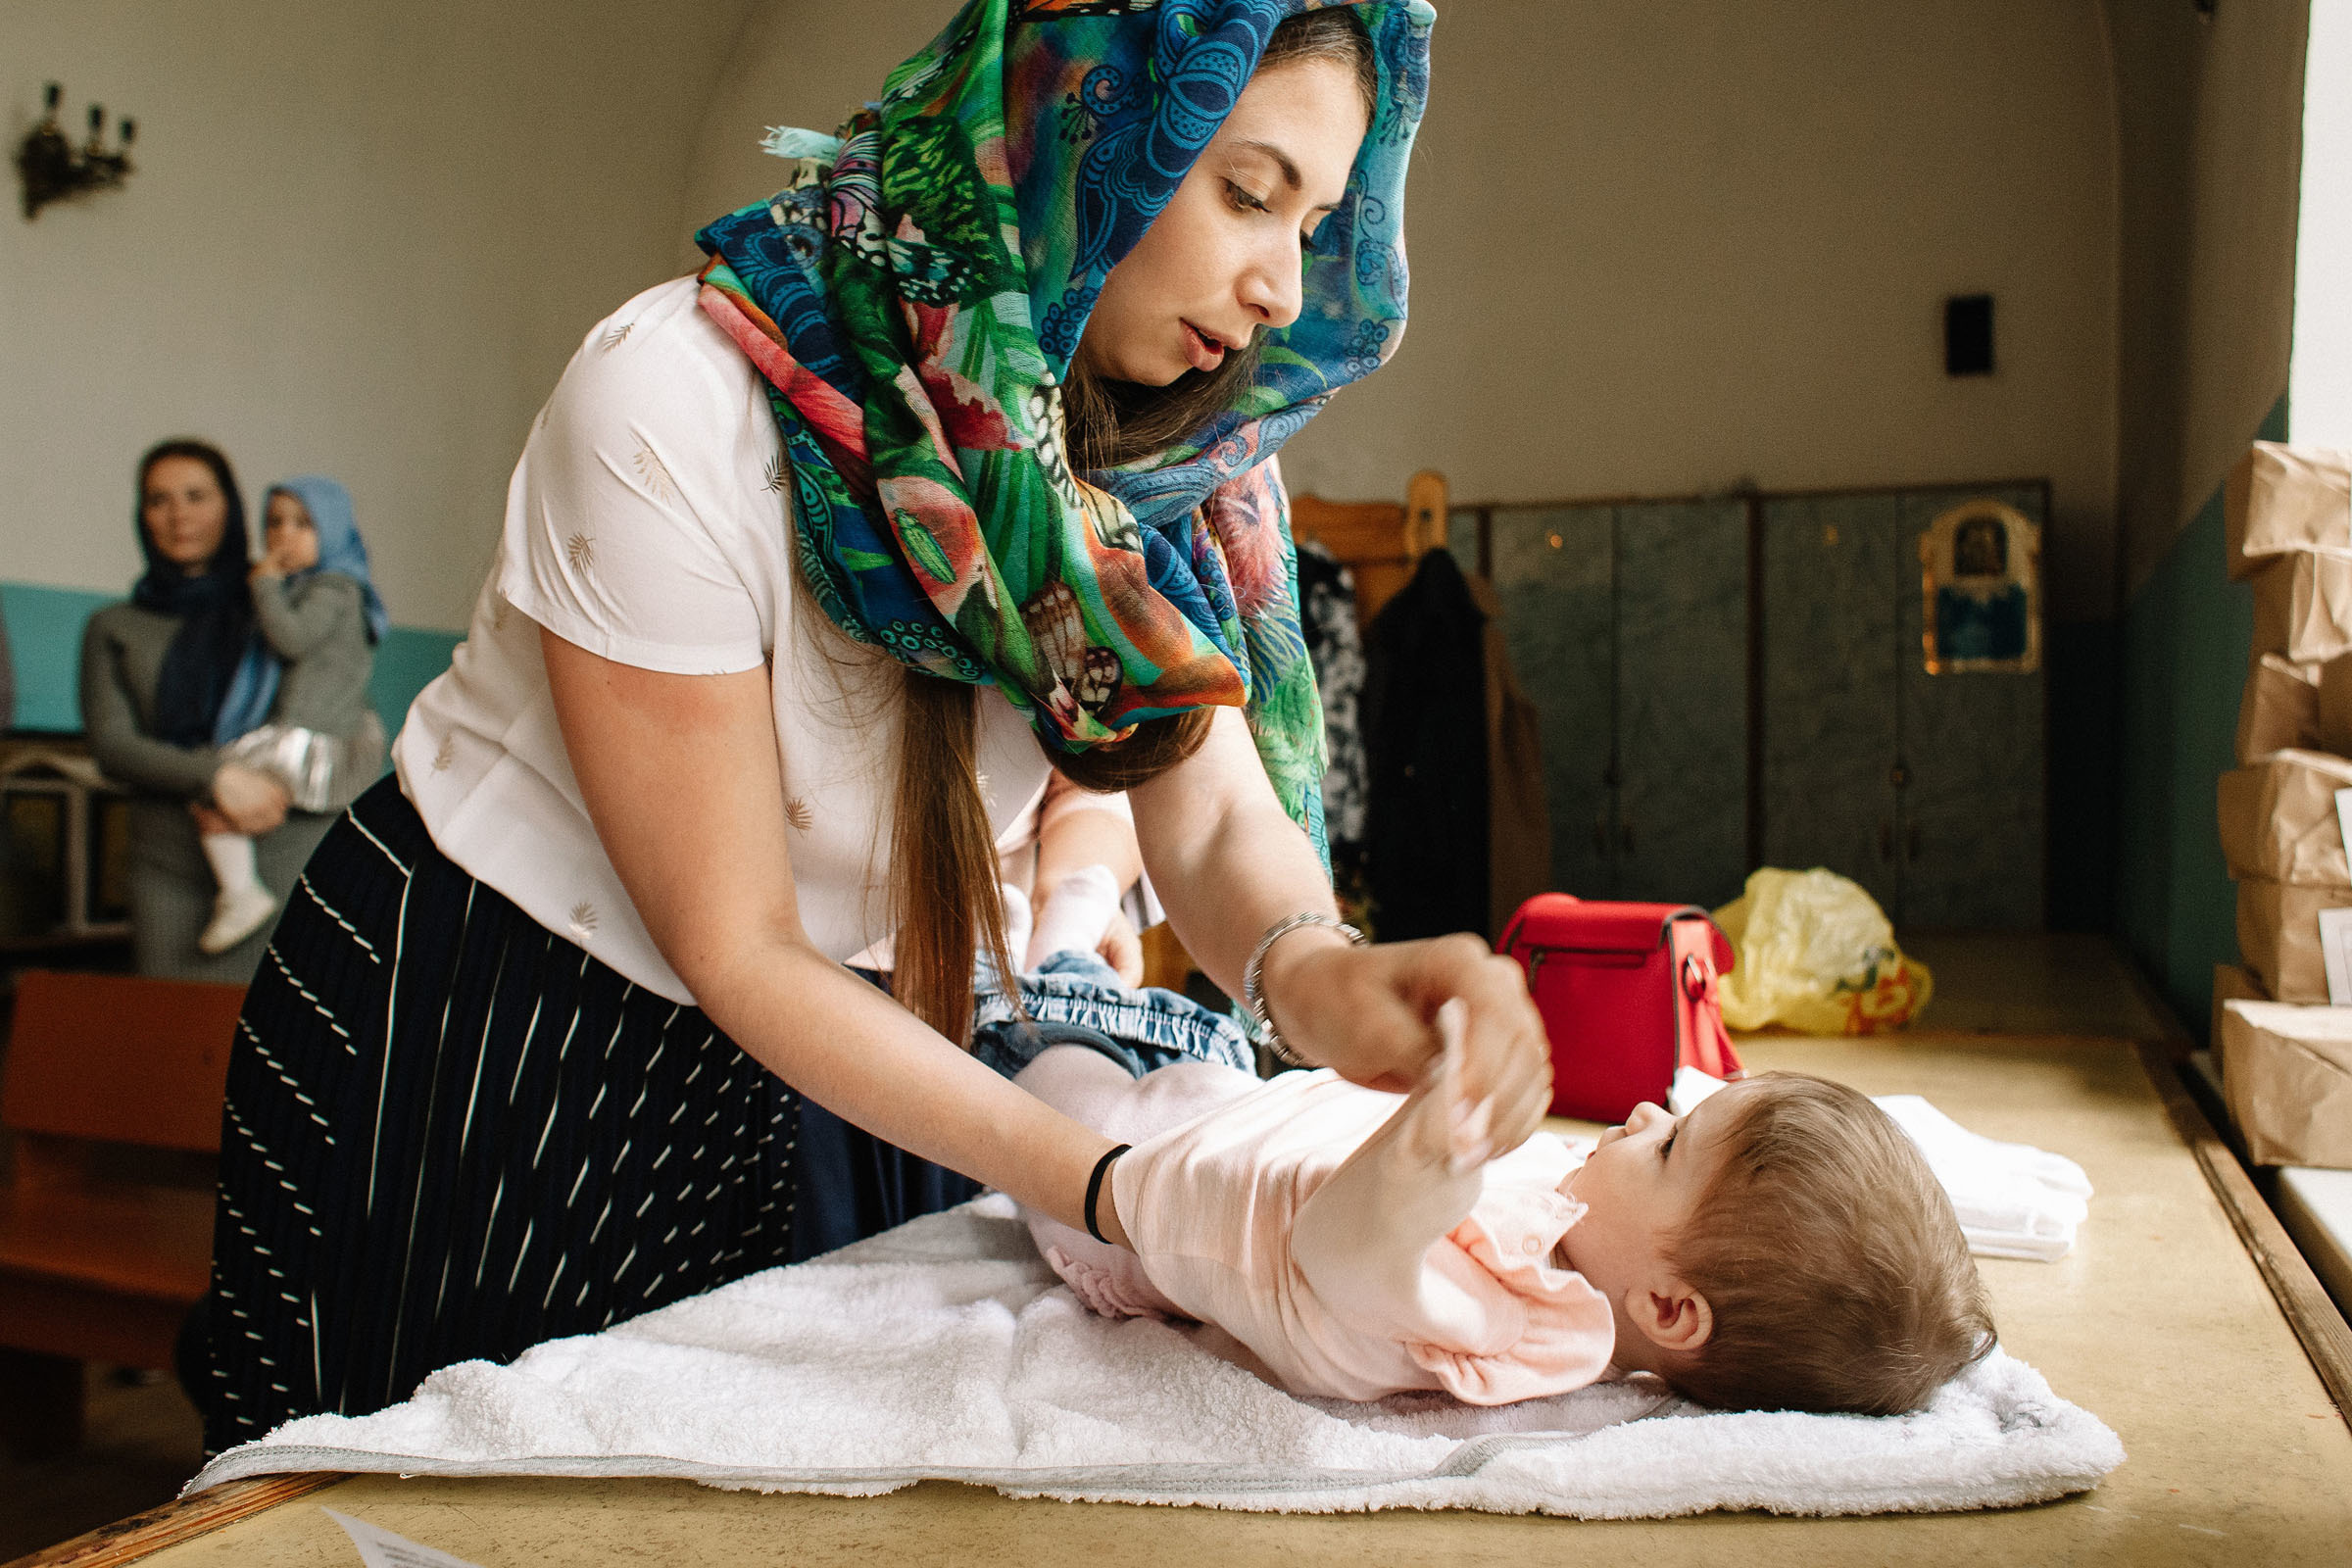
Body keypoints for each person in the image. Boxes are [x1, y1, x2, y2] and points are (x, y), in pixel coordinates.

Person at [204, 0, 1542, 1458]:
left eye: (1319, 220)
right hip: (508, 1018)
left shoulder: (1176, 472)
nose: (1285, 285)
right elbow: (738, 945)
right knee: (451, 1484)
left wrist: (1326, 979)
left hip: (855, 1040)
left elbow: (1212, 817)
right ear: (1076, 128)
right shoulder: (675, 397)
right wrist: (1119, 1189)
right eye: (1245, 194)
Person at [1019, 1039, 1996, 1414]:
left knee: (1039, 1058)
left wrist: (1436, 1134)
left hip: (1123, 1183)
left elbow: (1341, 1255)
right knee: (1118, 1000)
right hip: (1243, 1108)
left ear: (1667, 1304)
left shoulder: (1518, 1319)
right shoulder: (1583, 1218)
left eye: (1668, 1148)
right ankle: (1074, 929)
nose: (1649, 1114)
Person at [79, 441, 335, 981]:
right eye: (158, 500)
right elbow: (113, 747)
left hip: (288, 852)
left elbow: (341, 713)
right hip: (168, 868)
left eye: (196, 496)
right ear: (141, 514)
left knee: (285, 1043)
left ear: (230, 505)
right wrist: (216, 777)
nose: (178, 515)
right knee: (173, 1044)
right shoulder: (114, 627)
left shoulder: (280, 605)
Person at [191, 475, 390, 955]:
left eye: (303, 524)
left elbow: (290, 639)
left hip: (309, 735)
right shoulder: (317, 587)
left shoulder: (335, 588)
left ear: (334, 530)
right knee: (215, 800)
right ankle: (241, 891)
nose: (283, 535)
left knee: (215, 791)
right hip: (307, 727)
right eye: (274, 522)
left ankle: (241, 893)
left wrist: (264, 585)